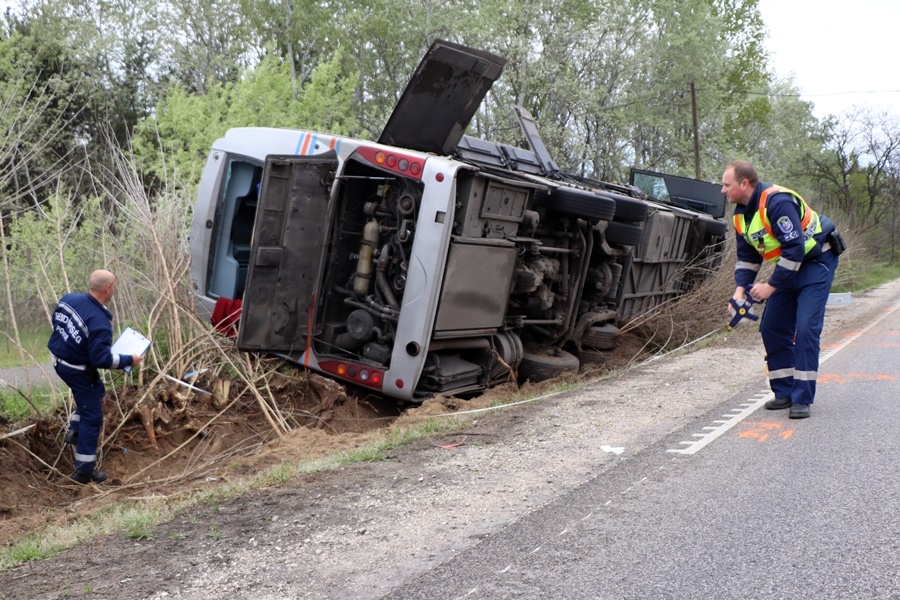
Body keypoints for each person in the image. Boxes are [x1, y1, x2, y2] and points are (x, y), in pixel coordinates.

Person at [721, 160, 844, 419]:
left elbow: (795, 249)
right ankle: (784, 391)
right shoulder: (740, 215)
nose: (723, 190)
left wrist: (771, 286)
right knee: (772, 327)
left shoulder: (777, 203)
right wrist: (739, 291)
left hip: (816, 262)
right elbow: (747, 258)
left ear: (744, 184)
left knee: (806, 328)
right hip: (789, 267)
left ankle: (802, 398)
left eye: (726, 185)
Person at [47, 270, 144, 484]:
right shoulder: (100, 323)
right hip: (76, 370)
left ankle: (74, 430)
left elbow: (57, 322)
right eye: (114, 286)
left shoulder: (69, 299)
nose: (114, 290)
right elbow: (101, 359)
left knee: (97, 392)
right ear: (108, 288)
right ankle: (84, 471)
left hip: (58, 360)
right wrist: (130, 360)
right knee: (93, 417)